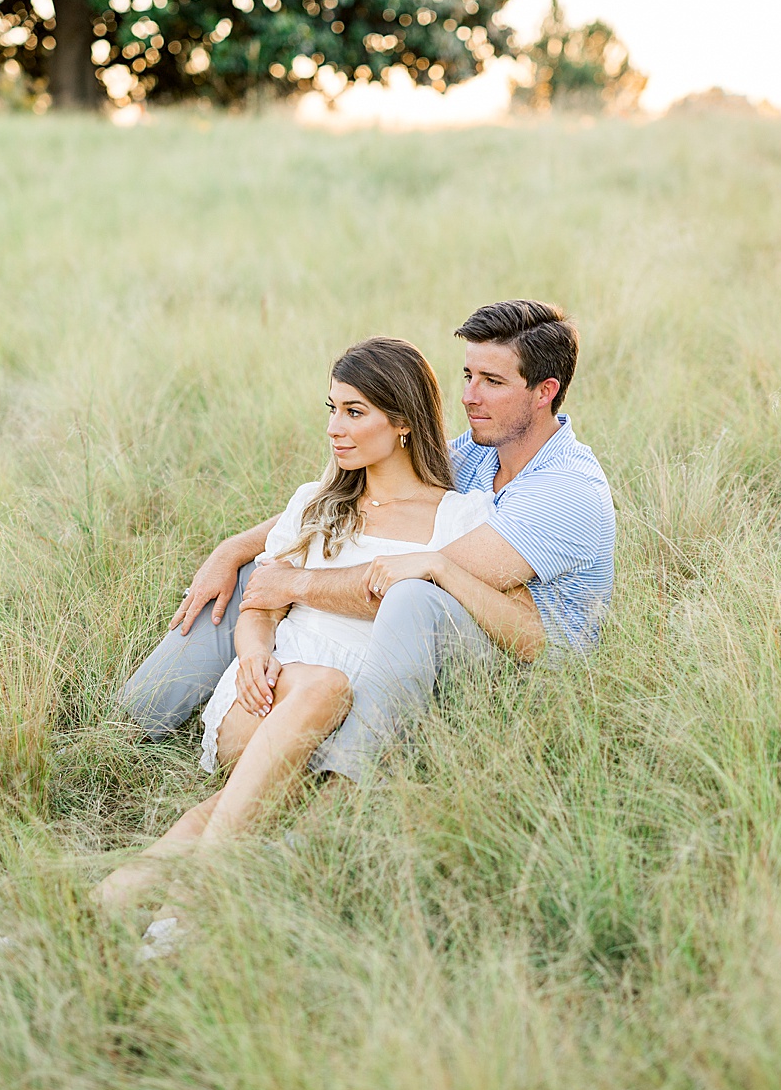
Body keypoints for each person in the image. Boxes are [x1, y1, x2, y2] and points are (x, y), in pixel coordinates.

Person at [94, 338, 541, 939]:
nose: (335, 428)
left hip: (362, 723)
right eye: (331, 408)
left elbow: (528, 633)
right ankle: (191, 905)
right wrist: (253, 655)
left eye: (354, 412)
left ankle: (97, 912)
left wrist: (440, 568)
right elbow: (260, 602)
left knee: (228, 812)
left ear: (404, 421)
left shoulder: (459, 516)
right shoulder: (316, 503)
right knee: (321, 686)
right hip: (270, 694)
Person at [117, 299, 615, 786]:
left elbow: (406, 578)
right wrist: (236, 549)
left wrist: (294, 582)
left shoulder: (567, 490)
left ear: (544, 391)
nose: (469, 397)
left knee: (403, 596)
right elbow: (366, 497)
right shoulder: (479, 452)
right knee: (255, 576)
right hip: (443, 624)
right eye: (468, 376)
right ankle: (130, 724)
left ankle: (347, 781)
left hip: (523, 666)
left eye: (493, 381)